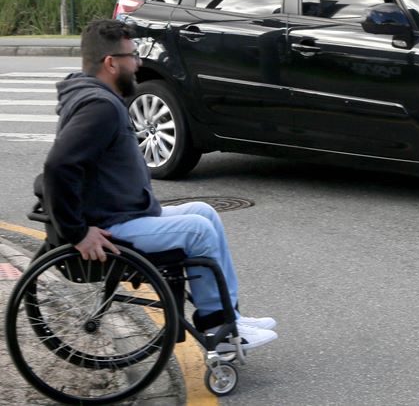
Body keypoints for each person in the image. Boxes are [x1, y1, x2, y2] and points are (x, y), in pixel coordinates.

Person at [42, 19, 277, 351]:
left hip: (122, 213)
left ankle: (230, 317)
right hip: (113, 225)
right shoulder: (99, 107)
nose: (137, 63)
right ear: (111, 63)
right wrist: (77, 232)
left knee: (204, 212)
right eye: (132, 56)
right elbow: (58, 166)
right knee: (197, 230)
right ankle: (218, 331)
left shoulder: (90, 95)